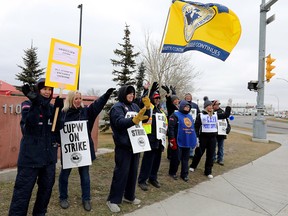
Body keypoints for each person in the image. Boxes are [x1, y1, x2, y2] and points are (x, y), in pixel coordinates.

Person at [9, 78, 63, 216]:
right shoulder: (27, 104)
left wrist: (59, 110)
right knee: (22, 194)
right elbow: (28, 127)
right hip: (30, 159)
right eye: (44, 89)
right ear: (38, 90)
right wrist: (36, 103)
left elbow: (57, 129)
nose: (47, 92)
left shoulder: (52, 108)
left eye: (50, 89)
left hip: (48, 160)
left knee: (45, 194)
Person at [58, 88, 115, 211]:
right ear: (70, 99)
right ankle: (63, 197)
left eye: (80, 98)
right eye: (76, 98)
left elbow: (97, 106)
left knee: (85, 175)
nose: (78, 101)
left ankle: (86, 199)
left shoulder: (86, 112)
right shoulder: (63, 113)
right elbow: (58, 129)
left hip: (83, 150)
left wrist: (106, 95)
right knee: (64, 174)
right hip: (69, 151)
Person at [106, 85, 149, 213]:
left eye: (133, 93)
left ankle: (129, 196)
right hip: (123, 146)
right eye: (129, 93)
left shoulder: (135, 106)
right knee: (121, 173)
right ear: (123, 94)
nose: (131, 95)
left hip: (135, 145)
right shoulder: (117, 107)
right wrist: (134, 120)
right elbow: (119, 123)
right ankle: (113, 200)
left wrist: (147, 107)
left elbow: (145, 117)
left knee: (133, 172)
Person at [189, 97, 231, 179]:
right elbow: (196, 127)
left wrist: (228, 106)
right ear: (205, 107)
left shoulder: (215, 115)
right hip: (203, 137)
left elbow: (226, 115)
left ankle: (208, 171)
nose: (210, 107)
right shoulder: (200, 115)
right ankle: (193, 166)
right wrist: (197, 137)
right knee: (199, 153)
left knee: (210, 155)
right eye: (208, 106)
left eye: (211, 106)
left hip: (212, 138)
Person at [138, 90, 167, 191]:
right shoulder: (149, 108)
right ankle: (142, 180)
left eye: (159, 98)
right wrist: (146, 92)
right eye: (156, 98)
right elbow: (143, 102)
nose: (158, 100)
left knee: (156, 161)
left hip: (160, 140)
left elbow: (165, 125)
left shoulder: (161, 111)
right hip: (150, 138)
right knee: (148, 161)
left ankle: (153, 178)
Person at [168, 100, 197, 181]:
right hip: (177, 140)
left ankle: (184, 174)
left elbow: (192, 129)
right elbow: (171, 128)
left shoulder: (190, 116)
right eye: (186, 106)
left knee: (185, 159)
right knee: (176, 158)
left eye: (189, 107)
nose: (187, 108)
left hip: (186, 140)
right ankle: (172, 172)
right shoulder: (175, 115)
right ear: (182, 106)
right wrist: (172, 139)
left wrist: (194, 139)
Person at [161, 85, 179, 160]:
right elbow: (168, 101)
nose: (177, 101)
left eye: (177, 99)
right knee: (171, 141)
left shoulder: (179, 107)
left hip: (178, 126)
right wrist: (168, 92)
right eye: (175, 100)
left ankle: (176, 154)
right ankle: (170, 155)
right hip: (171, 126)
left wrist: (174, 92)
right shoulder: (171, 106)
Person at [212, 100, 231, 166]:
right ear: (213, 105)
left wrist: (228, 128)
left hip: (221, 133)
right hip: (214, 133)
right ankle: (213, 158)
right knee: (213, 147)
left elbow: (226, 121)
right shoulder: (210, 112)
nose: (217, 106)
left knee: (221, 147)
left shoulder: (222, 112)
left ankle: (220, 159)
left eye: (218, 104)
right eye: (216, 104)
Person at [184, 93, 200, 158]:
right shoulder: (182, 104)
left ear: (191, 98)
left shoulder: (195, 105)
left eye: (189, 97)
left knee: (192, 138)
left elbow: (199, 113)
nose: (188, 98)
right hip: (185, 124)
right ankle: (185, 151)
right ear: (185, 98)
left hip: (193, 124)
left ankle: (191, 153)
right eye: (187, 97)